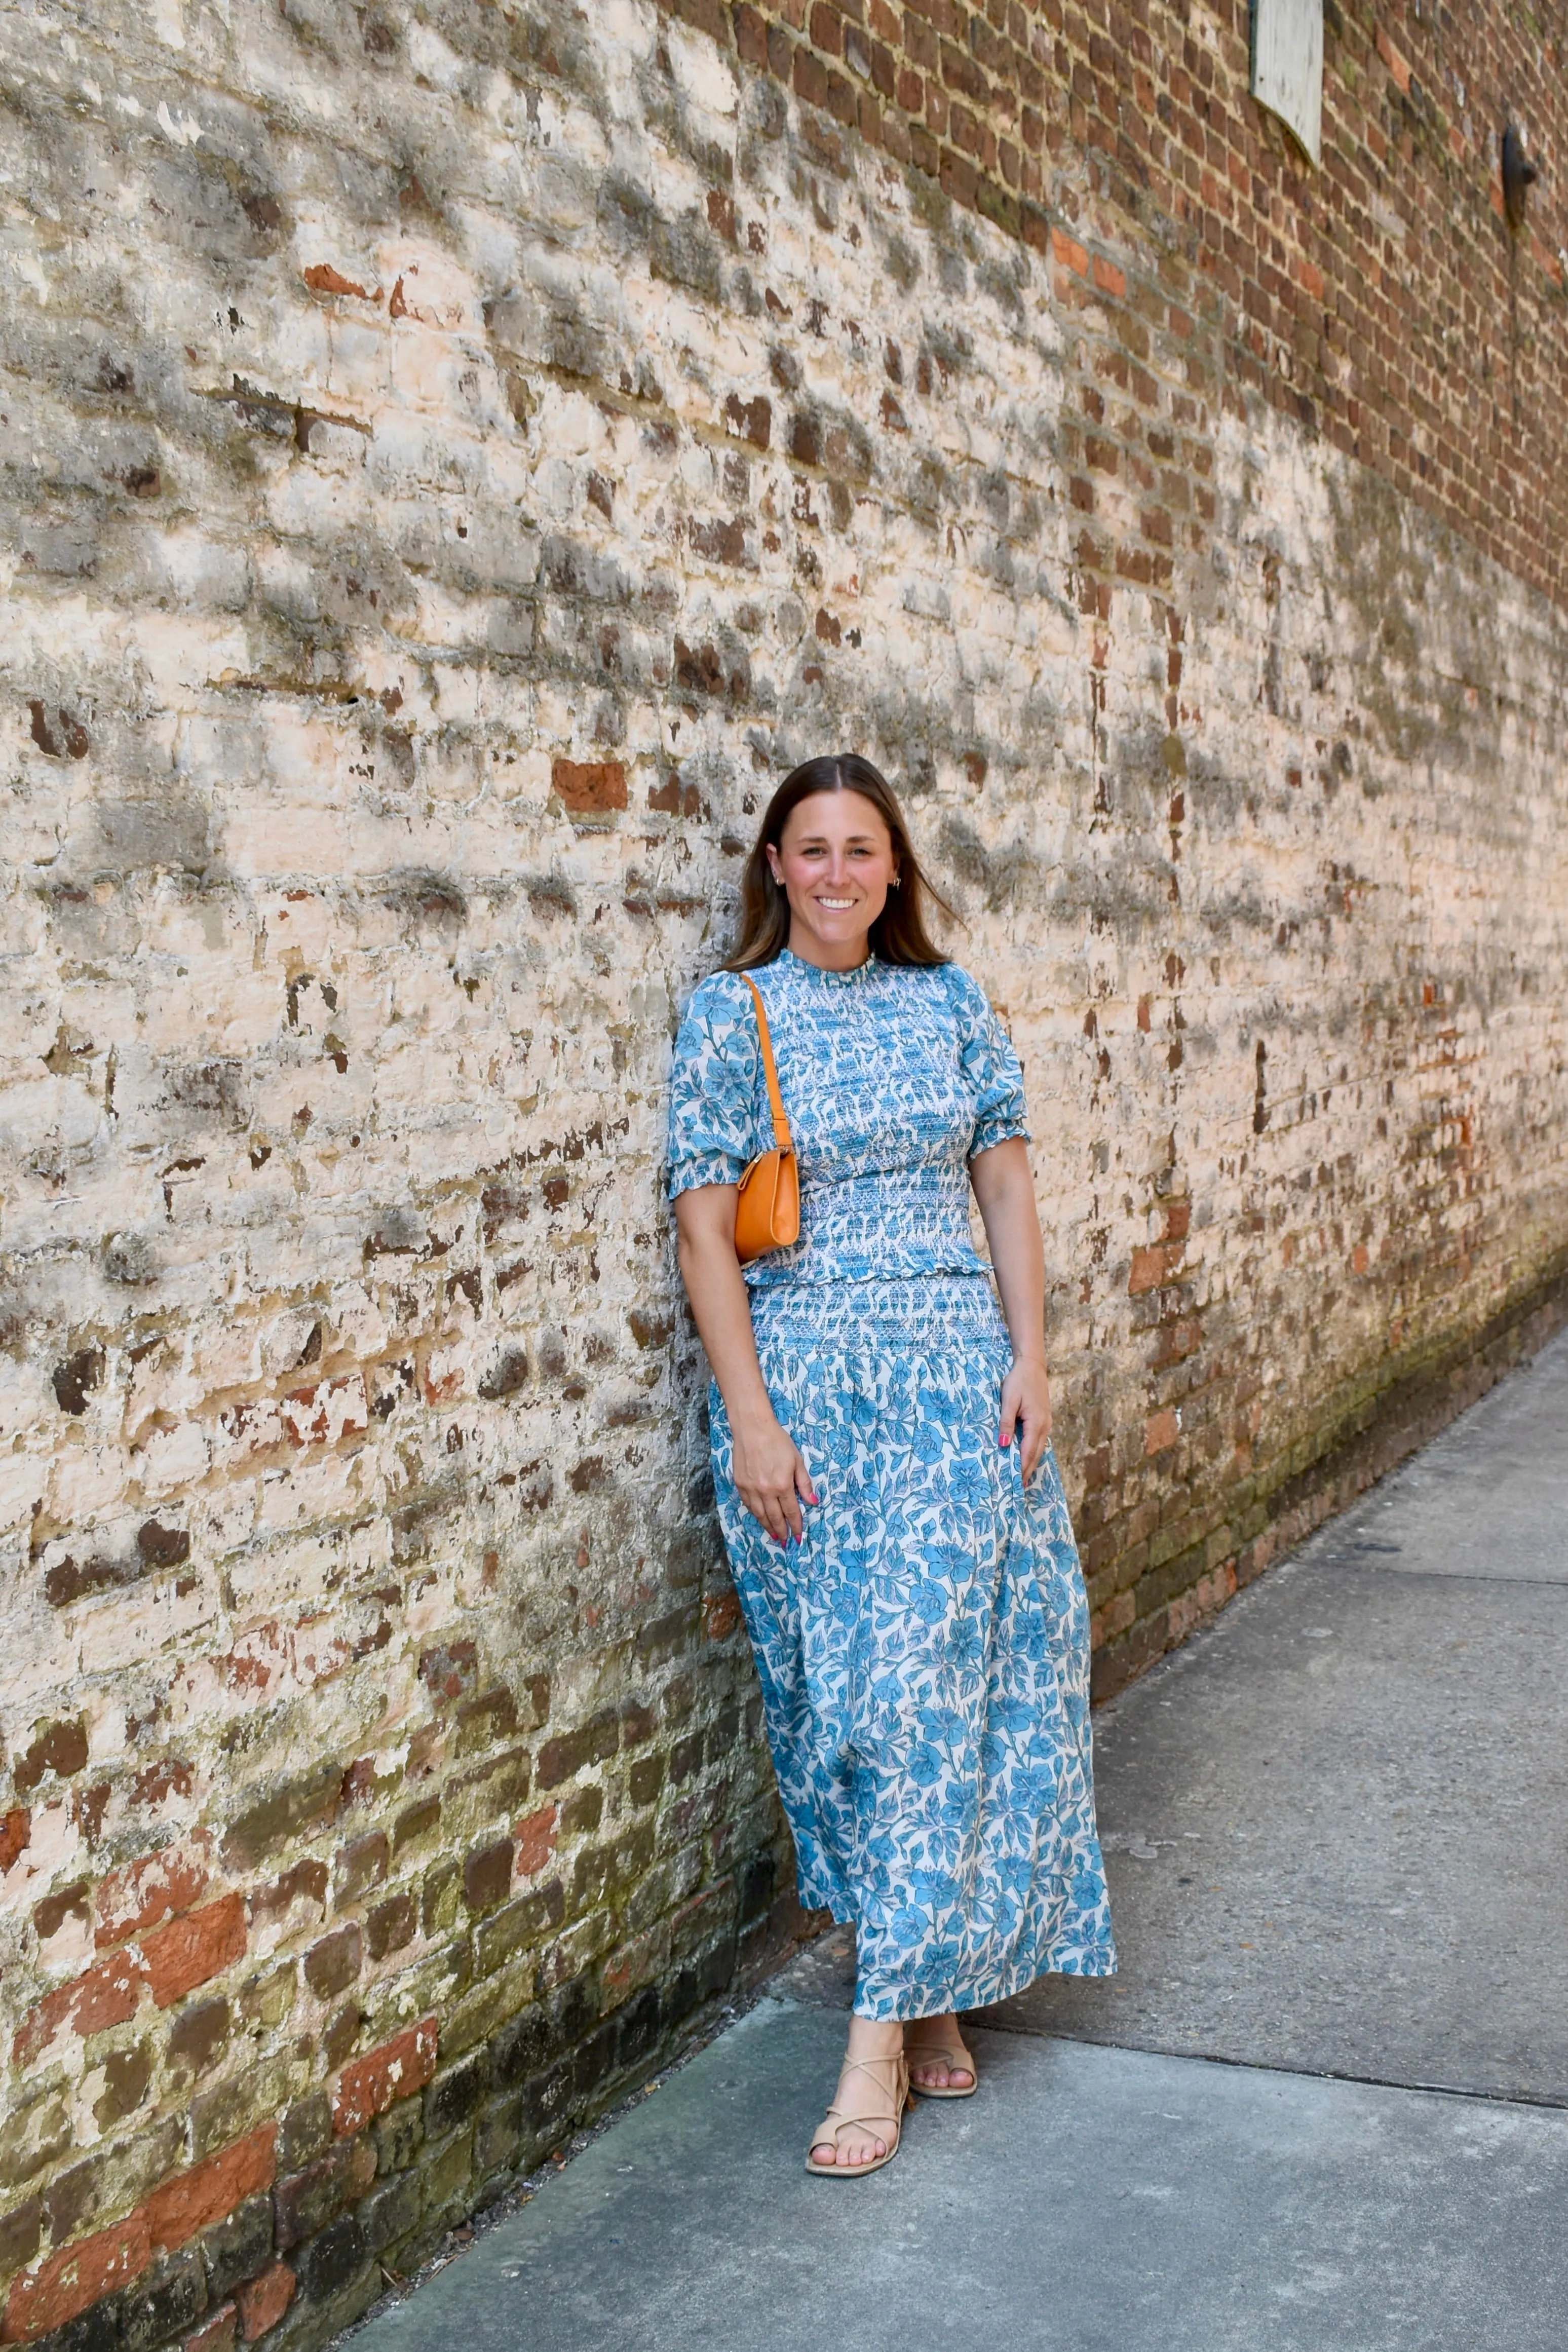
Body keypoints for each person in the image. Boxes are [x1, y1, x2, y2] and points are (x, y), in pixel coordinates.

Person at [667, 752, 1114, 2177]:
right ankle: (924, 1996)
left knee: (951, 1687)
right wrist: (748, 1417)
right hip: (811, 1392)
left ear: (895, 869)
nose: (839, 872)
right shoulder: (732, 1014)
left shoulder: (950, 1001)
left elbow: (1003, 1179)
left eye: (863, 849)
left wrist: (1031, 1358)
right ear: (776, 868)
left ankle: (880, 2042)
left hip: (959, 1393)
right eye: (812, 849)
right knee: (852, 1705)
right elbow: (698, 1229)